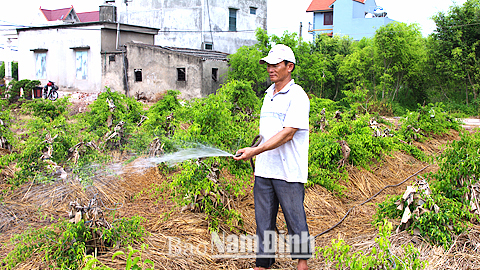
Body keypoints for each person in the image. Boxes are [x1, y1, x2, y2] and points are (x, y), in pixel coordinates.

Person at [233, 44, 311, 270]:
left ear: (290, 67)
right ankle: (262, 264)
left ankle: (302, 264)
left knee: (295, 219)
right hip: (265, 169)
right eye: (268, 65)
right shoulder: (268, 94)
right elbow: (268, 132)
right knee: (263, 222)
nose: (270, 69)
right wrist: (255, 151)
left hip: (288, 171)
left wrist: (254, 151)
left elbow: (288, 134)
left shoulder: (297, 96)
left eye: (275, 64)